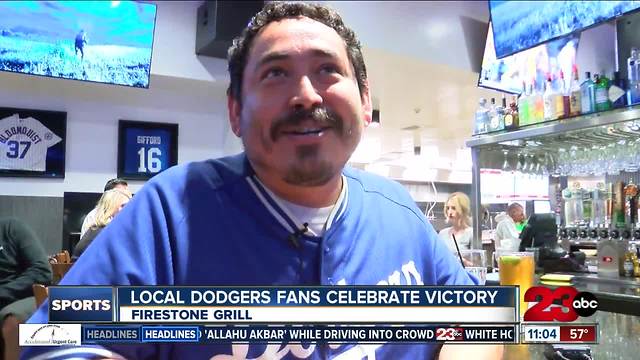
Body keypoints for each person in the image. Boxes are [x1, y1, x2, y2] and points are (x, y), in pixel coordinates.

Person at [24, 2, 502, 359]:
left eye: (327, 70)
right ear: (236, 110)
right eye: (276, 74)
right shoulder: (170, 213)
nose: (305, 94)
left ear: (363, 98)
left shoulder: (398, 212)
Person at [0, 218, 52, 360]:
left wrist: (4, 292)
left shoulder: (12, 228)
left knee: (11, 318)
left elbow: (42, 271)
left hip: (22, 295)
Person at [73, 188, 132, 261]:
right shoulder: (106, 234)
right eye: (123, 206)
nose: (129, 209)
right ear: (110, 207)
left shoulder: (96, 230)